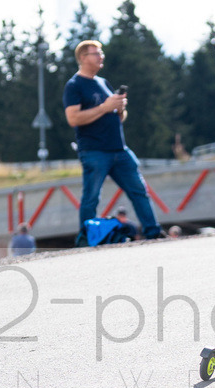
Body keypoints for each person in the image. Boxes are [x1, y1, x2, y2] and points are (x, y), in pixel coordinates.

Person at [63, 40, 166, 240]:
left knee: (139, 190)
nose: (101, 56)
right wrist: (104, 107)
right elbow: (73, 118)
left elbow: (118, 117)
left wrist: (119, 108)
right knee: (91, 198)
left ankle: (153, 233)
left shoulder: (103, 82)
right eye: (96, 53)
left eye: (101, 53)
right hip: (94, 150)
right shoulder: (74, 85)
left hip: (119, 149)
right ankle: (86, 239)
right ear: (83, 58)